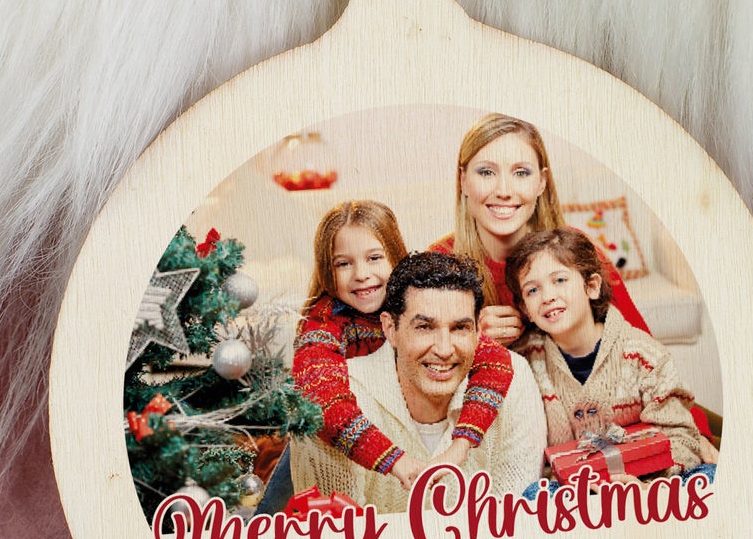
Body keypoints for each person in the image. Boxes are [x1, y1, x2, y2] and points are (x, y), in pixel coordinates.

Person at [259, 201, 514, 509]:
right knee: (274, 515)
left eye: (375, 258)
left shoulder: (415, 307)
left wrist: (463, 442)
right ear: (327, 269)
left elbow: (496, 362)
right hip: (331, 438)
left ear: (396, 255)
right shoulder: (322, 324)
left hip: (390, 431)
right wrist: (395, 460)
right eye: (343, 264)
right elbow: (323, 403)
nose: (362, 275)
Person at [289, 252, 547, 512]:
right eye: (424, 327)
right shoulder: (333, 403)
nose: (445, 349)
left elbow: (516, 530)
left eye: (460, 328)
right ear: (390, 329)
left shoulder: (514, 379)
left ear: (478, 331)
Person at [429, 113, 652, 348]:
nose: (504, 190)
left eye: (521, 173)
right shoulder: (438, 264)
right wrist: (468, 338)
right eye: (486, 172)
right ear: (463, 180)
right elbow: (413, 368)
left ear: (541, 182)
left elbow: (644, 351)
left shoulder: (575, 250)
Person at [506, 228, 718, 473]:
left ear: (592, 287)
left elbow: (681, 437)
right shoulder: (523, 362)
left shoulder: (642, 354)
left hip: (647, 483)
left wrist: (646, 487)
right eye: (533, 290)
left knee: (707, 474)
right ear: (525, 309)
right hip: (570, 493)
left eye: (560, 280)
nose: (548, 296)